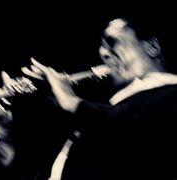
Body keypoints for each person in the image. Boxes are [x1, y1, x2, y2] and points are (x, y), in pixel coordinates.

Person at [21, 18, 177, 179]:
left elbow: (132, 129)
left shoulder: (170, 96)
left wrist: (73, 102)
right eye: (102, 47)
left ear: (152, 47)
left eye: (112, 42)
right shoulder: (107, 112)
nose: (102, 53)